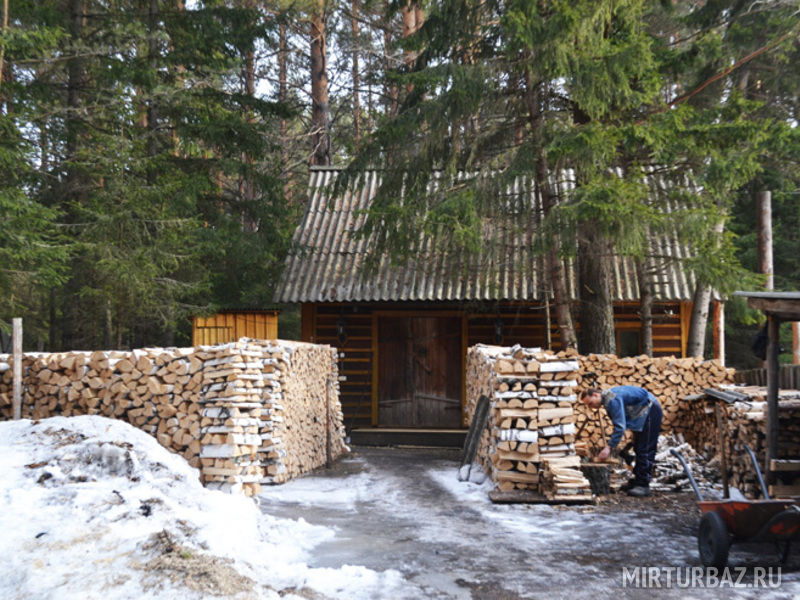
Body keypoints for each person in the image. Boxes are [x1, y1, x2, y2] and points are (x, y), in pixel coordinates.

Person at [580, 385, 663, 497]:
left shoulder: (612, 399)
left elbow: (620, 427)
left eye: (590, 403)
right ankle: (638, 480)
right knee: (638, 447)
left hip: (650, 410)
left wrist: (608, 448)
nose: (592, 407)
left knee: (645, 448)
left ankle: (643, 485)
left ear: (595, 395)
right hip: (642, 413)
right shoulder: (608, 399)